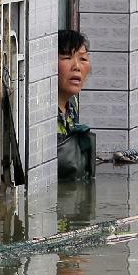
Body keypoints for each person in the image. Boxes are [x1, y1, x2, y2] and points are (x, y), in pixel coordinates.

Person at [57, 30, 95, 180]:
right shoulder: (41, 111)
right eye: (67, 57)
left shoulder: (72, 104)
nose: (77, 67)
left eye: (83, 59)